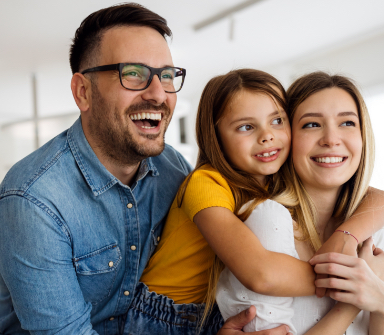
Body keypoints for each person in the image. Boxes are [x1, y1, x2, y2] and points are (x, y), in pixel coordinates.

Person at [0, 4, 275, 335]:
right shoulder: (34, 200)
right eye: (133, 73)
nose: (159, 94)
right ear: (83, 92)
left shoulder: (174, 168)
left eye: (168, 76)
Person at [131, 69, 384, 334]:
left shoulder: (365, 227)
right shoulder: (225, 193)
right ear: (216, 139)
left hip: (203, 315)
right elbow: (260, 273)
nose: (266, 136)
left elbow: (377, 197)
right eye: (246, 127)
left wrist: (347, 238)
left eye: (276, 121)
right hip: (161, 315)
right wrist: (350, 280)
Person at [218, 71, 384, 334]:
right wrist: (354, 298)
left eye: (348, 123)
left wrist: (381, 302)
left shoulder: (375, 230)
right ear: (287, 136)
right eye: (311, 124)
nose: (331, 139)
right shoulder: (267, 220)